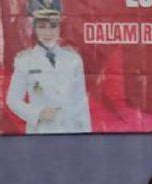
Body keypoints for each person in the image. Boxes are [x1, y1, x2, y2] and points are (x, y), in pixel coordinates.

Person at [6, 0, 91, 134]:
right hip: (41, 131)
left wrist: (87, 134)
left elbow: (81, 103)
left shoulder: (73, 59)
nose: (48, 33)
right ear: (34, 28)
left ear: (59, 27)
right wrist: (37, 113)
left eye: (53, 26)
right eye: (42, 27)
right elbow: (12, 100)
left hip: (71, 130)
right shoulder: (25, 61)